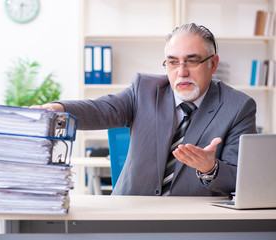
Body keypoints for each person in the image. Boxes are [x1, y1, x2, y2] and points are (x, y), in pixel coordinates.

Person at [33, 23, 257, 196]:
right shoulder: (145, 89)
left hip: (192, 222)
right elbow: (102, 109)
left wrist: (211, 168)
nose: (182, 72)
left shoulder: (238, 107)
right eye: (172, 62)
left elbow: (241, 179)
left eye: (192, 61)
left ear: (213, 64)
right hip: (129, 215)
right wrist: (58, 109)